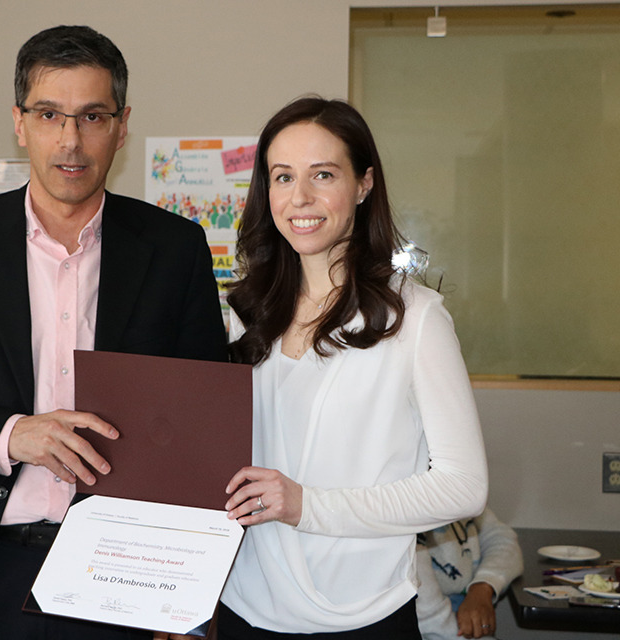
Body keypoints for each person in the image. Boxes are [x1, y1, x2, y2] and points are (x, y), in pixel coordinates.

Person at [0, 25, 227, 640]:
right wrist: (9, 435)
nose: (71, 141)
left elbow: (200, 423)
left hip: (123, 579)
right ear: (20, 123)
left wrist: (187, 591)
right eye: (50, 114)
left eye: (92, 116)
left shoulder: (174, 248)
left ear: (122, 125)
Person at [217, 96, 489, 639]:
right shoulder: (243, 315)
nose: (300, 198)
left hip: (362, 618)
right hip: (243, 609)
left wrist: (307, 505)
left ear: (363, 184)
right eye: (283, 176)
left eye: (323, 174)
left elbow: (464, 486)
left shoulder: (415, 319)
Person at [416, 507, 523, 639]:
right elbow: (432, 625)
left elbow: (503, 539)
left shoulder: (464, 497)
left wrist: (482, 587)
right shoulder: (408, 518)